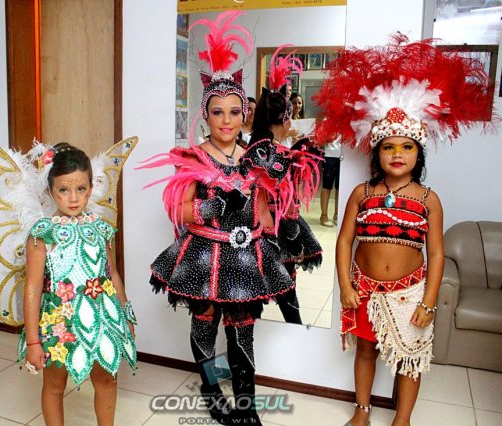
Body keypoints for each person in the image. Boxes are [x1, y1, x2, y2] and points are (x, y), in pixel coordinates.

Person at [314, 33, 493, 426]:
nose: (397, 154)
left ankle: (403, 419)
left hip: (410, 294)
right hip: (364, 289)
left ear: (419, 153)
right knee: (366, 351)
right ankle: (362, 411)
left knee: (409, 359)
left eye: (407, 147)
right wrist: (345, 285)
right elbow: (344, 241)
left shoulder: (429, 199)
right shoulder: (362, 193)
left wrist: (428, 302)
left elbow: (437, 253)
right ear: (376, 152)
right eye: (389, 147)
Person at [140, 12, 299, 425]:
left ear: (244, 113)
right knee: (206, 325)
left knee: (243, 329)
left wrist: (278, 198)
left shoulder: (256, 156)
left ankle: (246, 406)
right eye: (217, 112)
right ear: (205, 115)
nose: (226, 120)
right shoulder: (192, 157)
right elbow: (178, 209)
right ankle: (212, 393)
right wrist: (211, 207)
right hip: (203, 255)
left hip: (243, 257)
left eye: (234, 111)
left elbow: (263, 211)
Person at [20, 143, 137, 425]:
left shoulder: (101, 229)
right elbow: (32, 288)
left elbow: (113, 274)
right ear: (51, 192)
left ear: (90, 188)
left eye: (81, 188)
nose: (73, 198)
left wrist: (126, 316)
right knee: (54, 385)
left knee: (107, 380)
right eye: (63, 190)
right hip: (58, 322)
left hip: (102, 319)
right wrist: (33, 341)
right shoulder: (42, 234)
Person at [250, 46, 322, 325]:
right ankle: (294, 331)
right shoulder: (280, 154)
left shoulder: (254, 150)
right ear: (286, 119)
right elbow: (283, 190)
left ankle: (254, 330)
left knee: (257, 289)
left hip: (260, 226)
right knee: (285, 288)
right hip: (276, 227)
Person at [319, 138, 341, 227]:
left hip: (345, 156)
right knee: (327, 187)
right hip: (330, 155)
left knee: (340, 188)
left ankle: (337, 215)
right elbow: (320, 140)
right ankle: (324, 216)